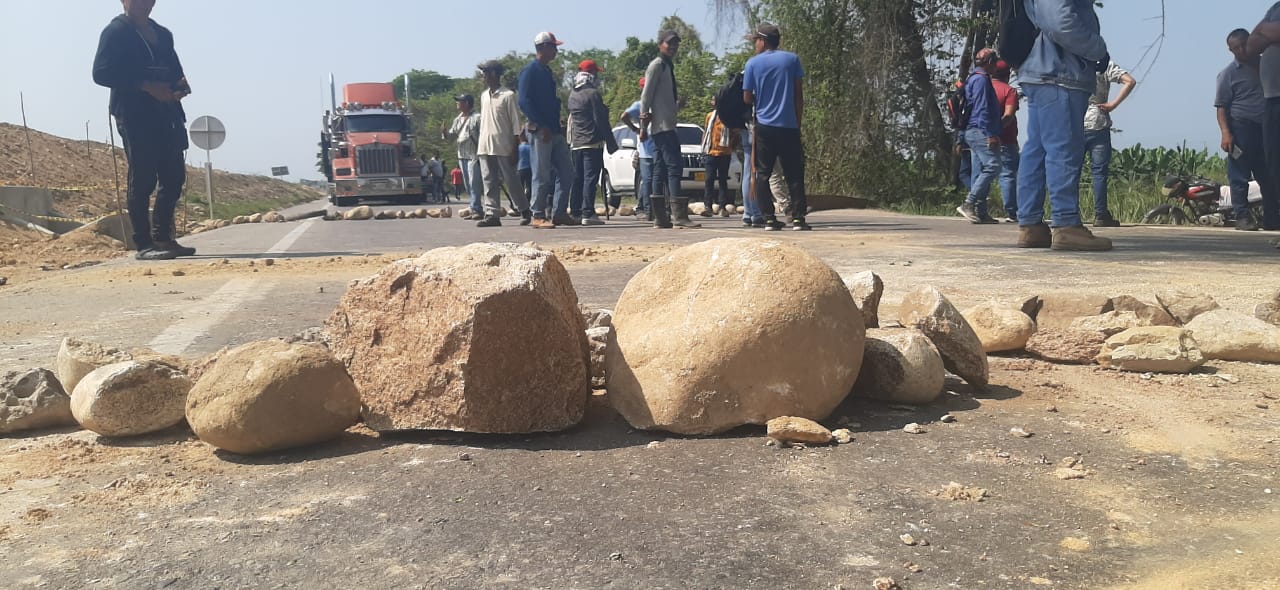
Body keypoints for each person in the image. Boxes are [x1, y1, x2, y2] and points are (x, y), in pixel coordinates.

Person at [92, 0, 195, 260]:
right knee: (143, 179)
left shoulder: (163, 34)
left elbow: (176, 71)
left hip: (167, 114)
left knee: (173, 177)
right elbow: (101, 73)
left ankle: (163, 237)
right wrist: (145, 85)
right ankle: (144, 245)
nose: (142, 4)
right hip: (134, 115)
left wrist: (179, 87)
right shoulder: (115, 32)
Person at [1016, 0, 1112, 251]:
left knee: (1036, 150)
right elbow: (1060, 23)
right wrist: (1097, 49)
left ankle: (1031, 225)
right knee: (1064, 148)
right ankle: (1067, 225)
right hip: (1060, 73)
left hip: (1044, 71)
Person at [743, 23, 810, 231]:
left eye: (756, 41)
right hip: (789, 126)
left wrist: (761, 97)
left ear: (763, 41)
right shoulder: (792, 60)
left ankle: (769, 219)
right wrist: (797, 123)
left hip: (764, 126)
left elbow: (747, 98)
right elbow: (799, 96)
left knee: (763, 173)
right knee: (794, 174)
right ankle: (798, 218)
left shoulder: (753, 64)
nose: (755, 44)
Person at [1218, 29, 1275, 231]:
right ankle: (1242, 217)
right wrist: (1226, 133)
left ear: (1251, 42)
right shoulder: (1228, 74)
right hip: (1241, 128)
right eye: (1236, 48)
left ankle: (1272, 218)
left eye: (1244, 45)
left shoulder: (1268, 64)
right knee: (1239, 176)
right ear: (1230, 50)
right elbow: (1221, 107)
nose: (1241, 50)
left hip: (1267, 128)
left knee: (1269, 174)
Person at [642, 30, 699, 229]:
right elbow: (646, 96)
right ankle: (679, 216)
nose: (673, 47)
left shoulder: (668, 65)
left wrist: (678, 106)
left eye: (675, 44)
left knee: (660, 169)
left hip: (666, 122)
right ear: (660, 45)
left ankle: (660, 217)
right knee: (674, 166)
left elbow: (662, 100)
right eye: (669, 44)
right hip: (662, 126)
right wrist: (642, 126)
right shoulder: (657, 65)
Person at [519, 32, 576, 229]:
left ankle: (559, 213)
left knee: (567, 171)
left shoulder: (546, 71)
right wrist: (540, 124)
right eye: (553, 46)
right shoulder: (530, 71)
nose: (556, 50)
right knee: (541, 174)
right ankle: (538, 214)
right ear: (542, 47)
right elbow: (524, 101)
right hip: (540, 130)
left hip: (554, 130)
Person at [474, 60, 532, 227]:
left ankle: (524, 209)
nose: (483, 76)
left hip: (504, 145)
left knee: (511, 180)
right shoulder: (484, 95)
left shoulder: (508, 95)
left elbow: (516, 124)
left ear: (493, 73)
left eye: (485, 72)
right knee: (489, 181)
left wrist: (515, 147)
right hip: (485, 144)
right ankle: (492, 214)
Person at [1083, 61, 1137, 227]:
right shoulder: (1103, 63)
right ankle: (1101, 214)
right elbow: (1130, 81)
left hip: (1075, 121)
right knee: (1099, 172)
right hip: (1098, 120)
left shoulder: (1072, 62)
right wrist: (1113, 104)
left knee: (1071, 171)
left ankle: (1067, 213)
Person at [956, 48, 1003, 225]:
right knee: (994, 165)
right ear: (989, 62)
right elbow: (982, 108)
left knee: (979, 172)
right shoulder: (982, 80)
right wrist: (990, 134)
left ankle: (981, 212)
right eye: (995, 62)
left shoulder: (971, 79)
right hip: (980, 130)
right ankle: (969, 203)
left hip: (971, 130)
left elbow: (965, 110)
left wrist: (961, 138)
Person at [568, 60, 616, 225]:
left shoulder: (573, 94)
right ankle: (588, 212)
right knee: (590, 178)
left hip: (576, 143)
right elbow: (600, 120)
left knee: (578, 178)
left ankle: (575, 211)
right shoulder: (593, 94)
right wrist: (611, 142)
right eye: (596, 74)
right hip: (592, 143)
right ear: (591, 75)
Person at [1246, 7, 1280, 231]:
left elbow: (1262, 34)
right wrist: (1263, 33)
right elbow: (1250, 45)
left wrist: (1262, 32)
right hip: (1272, 100)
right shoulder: (1275, 8)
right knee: (1275, 162)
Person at [622, 76, 656, 219]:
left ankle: (654, 208)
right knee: (647, 181)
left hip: (659, 148)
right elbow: (624, 116)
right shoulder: (639, 105)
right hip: (646, 150)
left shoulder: (659, 104)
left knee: (657, 180)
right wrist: (635, 129)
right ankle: (646, 210)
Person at [992, 59, 1022, 222]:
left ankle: (978, 207)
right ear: (1007, 74)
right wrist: (997, 130)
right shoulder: (1009, 91)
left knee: (983, 172)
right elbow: (1009, 115)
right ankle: (1012, 212)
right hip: (1007, 138)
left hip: (982, 138)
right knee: (1008, 174)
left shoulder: (984, 88)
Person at [444, 94, 483, 219]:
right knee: (467, 183)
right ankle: (473, 207)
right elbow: (451, 137)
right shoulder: (458, 119)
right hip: (462, 154)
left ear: (466, 103)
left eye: (459, 101)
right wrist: (444, 133)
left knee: (474, 182)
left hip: (474, 154)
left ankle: (477, 208)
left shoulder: (477, 118)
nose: (457, 104)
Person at [702, 101, 734, 217]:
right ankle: (708, 207)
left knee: (722, 180)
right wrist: (704, 148)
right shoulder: (710, 116)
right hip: (710, 152)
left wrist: (731, 147)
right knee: (709, 179)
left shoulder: (728, 117)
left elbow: (734, 134)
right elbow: (706, 132)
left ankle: (722, 207)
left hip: (724, 152)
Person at [518, 133, 533, 204]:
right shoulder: (530, 147)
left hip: (520, 168)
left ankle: (520, 202)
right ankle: (528, 200)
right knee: (529, 186)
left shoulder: (519, 147)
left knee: (520, 186)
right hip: (529, 168)